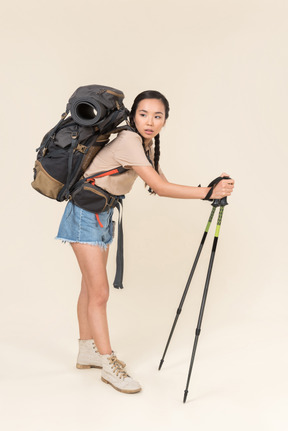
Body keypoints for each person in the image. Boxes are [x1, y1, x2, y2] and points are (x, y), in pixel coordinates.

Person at [56, 90, 234, 395]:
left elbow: (159, 183)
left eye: (157, 116)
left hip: (100, 214)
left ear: (165, 120)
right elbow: (160, 187)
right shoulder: (128, 141)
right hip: (85, 215)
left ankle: (87, 351)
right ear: (132, 115)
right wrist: (208, 194)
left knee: (89, 288)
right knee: (99, 292)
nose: (150, 121)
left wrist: (207, 188)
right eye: (143, 114)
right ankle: (109, 364)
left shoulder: (144, 144)